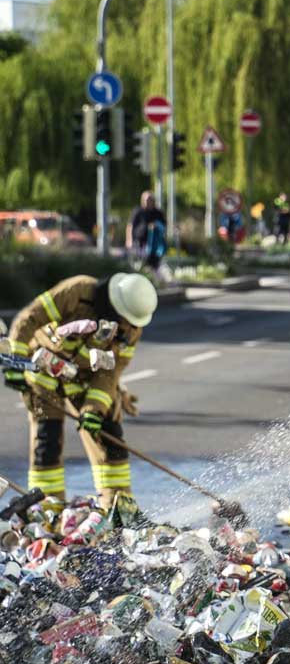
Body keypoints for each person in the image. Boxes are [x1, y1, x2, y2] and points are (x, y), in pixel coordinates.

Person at [1, 273, 157, 510]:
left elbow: (109, 374)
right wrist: (15, 361)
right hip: (45, 371)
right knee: (47, 439)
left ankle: (119, 506)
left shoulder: (131, 329)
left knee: (108, 434)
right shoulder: (78, 292)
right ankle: (48, 509)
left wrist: (94, 410)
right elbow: (29, 318)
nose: (127, 328)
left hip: (85, 379)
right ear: (116, 307)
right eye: (125, 320)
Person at [126, 192, 162, 261]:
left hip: (154, 243)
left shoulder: (158, 212)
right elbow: (130, 225)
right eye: (145, 199)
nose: (147, 201)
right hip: (139, 242)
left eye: (149, 199)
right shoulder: (138, 211)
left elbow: (163, 225)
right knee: (139, 260)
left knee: (153, 261)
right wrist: (129, 240)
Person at [143, 211, 167, 276]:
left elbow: (162, 232)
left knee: (156, 266)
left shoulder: (159, 226)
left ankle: (156, 277)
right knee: (148, 266)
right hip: (149, 250)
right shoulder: (149, 228)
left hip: (157, 250)